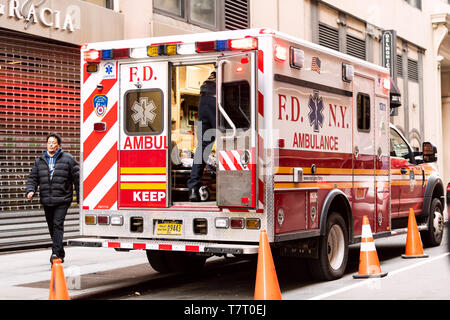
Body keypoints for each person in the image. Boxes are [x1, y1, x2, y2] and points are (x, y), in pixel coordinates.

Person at [26, 133, 79, 265]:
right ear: (46, 144)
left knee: (57, 224)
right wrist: (30, 190)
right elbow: (33, 178)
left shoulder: (68, 159)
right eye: (49, 142)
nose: (51, 144)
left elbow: (77, 178)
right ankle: (60, 251)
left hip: (63, 199)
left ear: (59, 145)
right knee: (51, 227)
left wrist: (80, 198)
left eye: (53, 142)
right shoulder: (40, 160)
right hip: (47, 199)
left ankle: (55, 253)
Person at [187, 71, 216, 201]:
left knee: (202, 147)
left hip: (203, 102)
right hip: (216, 99)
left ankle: (193, 189)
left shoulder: (213, 73)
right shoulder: (230, 66)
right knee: (231, 140)